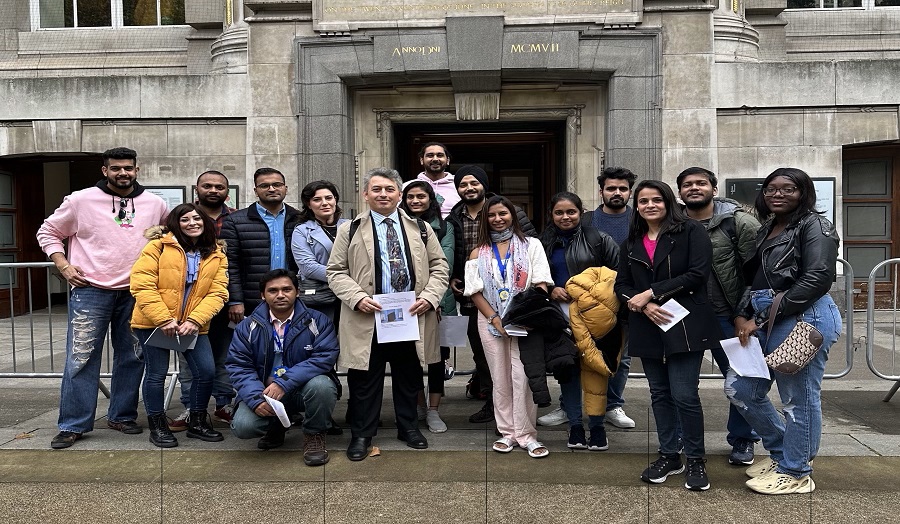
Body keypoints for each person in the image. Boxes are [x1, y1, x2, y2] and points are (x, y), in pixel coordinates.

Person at [36, 147, 169, 449]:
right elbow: (48, 232)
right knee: (80, 359)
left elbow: (166, 237)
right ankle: (73, 424)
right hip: (90, 290)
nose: (123, 173)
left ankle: (121, 415)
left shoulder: (155, 204)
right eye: (116, 168)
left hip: (137, 292)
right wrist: (63, 265)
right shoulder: (79, 200)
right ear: (105, 170)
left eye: (129, 168)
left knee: (133, 357)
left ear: (137, 169)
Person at [727, 168, 842, 495]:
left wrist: (759, 317)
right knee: (741, 389)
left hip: (805, 318)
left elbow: (817, 278)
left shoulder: (816, 226)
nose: (777, 194)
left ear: (803, 192)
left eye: (787, 189)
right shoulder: (769, 226)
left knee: (799, 400)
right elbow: (756, 278)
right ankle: (783, 452)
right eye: (770, 189)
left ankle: (796, 472)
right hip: (768, 315)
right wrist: (742, 313)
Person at [327, 167, 449, 461]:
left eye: (390, 189)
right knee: (365, 380)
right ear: (365, 194)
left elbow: (440, 266)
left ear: (399, 195)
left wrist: (430, 297)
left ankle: (408, 428)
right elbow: (335, 271)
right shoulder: (350, 229)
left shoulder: (421, 228)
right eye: (377, 189)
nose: (383, 194)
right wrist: (357, 298)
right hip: (368, 316)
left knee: (408, 376)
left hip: (409, 314)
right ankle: (362, 435)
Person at [614, 179, 719, 491]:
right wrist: (643, 306)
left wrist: (650, 293)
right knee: (659, 393)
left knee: (684, 394)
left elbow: (698, 275)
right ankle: (670, 455)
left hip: (685, 321)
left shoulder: (691, 231)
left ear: (668, 201)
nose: (650, 205)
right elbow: (621, 285)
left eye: (656, 200)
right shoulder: (631, 240)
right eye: (643, 201)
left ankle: (696, 459)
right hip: (647, 324)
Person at [677, 166, 763, 466]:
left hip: (729, 316)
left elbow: (756, 274)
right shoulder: (672, 224)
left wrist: (743, 313)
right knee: (681, 383)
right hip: (685, 317)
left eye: (701, 183)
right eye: (687, 184)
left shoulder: (739, 222)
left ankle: (742, 438)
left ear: (713, 189)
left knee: (741, 381)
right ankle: (679, 436)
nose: (694, 188)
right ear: (680, 192)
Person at [546, 167, 637, 430]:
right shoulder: (584, 222)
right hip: (570, 308)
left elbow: (618, 270)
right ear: (601, 192)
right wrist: (553, 288)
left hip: (612, 305)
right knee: (574, 355)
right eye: (611, 188)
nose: (616, 192)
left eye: (622, 188)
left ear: (629, 192)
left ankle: (612, 405)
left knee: (618, 356)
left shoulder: (638, 218)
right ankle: (568, 406)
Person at [130, 203, 228, 447]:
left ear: (205, 222)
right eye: (185, 219)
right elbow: (142, 284)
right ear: (175, 224)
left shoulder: (216, 253)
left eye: (197, 218)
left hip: (193, 325)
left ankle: (197, 421)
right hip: (153, 323)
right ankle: (158, 425)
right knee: (156, 374)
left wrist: (195, 320)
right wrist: (163, 318)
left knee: (205, 371)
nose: (192, 223)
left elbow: (218, 292)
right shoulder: (157, 247)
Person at [464, 195, 554, 459]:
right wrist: (494, 318)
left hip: (525, 319)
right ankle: (507, 433)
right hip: (490, 320)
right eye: (491, 215)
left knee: (522, 376)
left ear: (513, 216)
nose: (497, 219)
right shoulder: (477, 252)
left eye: (502, 213)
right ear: (485, 219)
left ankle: (527, 434)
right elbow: (474, 292)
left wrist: (520, 316)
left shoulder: (531, 245)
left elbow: (540, 284)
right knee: (500, 377)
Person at [446, 165, 537, 424]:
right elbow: (455, 251)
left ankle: (520, 411)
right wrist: (455, 275)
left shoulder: (506, 211)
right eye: (463, 185)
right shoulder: (454, 217)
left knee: (518, 358)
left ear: (484, 185)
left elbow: (529, 247)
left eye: (474, 183)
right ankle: (492, 402)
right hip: (474, 296)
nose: (469, 188)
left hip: (513, 299)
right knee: (483, 353)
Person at [226, 269, 339, 466]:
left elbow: (324, 358)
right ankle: (276, 425)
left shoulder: (318, 321)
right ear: (263, 295)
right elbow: (239, 366)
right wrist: (254, 399)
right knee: (243, 427)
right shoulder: (248, 326)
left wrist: (284, 383)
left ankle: (314, 435)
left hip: (303, 390)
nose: (280, 295)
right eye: (273, 290)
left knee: (322, 386)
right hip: (265, 393)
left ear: (297, 291)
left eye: (287, 289)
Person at [539, 191, 621, 451]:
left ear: (580, 212)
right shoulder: (543, 242)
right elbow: (536, 276)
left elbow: (616, 275)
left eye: (571, 212)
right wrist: (551, 289)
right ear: (551, 215)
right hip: (559, 316)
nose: (565, 217)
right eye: (559, 212)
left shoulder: (598, 238)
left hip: (595, 317)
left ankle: (597, 427)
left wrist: (587, 295)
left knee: (596, 369)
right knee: (569, 370)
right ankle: (575, 425)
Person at [170, 170, 238, 432]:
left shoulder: (236, 218)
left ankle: (224, 404)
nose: (213, 190)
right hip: (185, 306)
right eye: (207, 186)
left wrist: (235, 300)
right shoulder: (179, 218)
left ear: (226, 192)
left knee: (224, 355)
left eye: (219, 187)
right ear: (196, 188)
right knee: (189, 360)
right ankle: (191, 407)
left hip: (219, 301)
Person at [400, 180, 457, 433]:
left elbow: (445, 263)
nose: (415, 201)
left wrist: (431, 299)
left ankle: (434, 410)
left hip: (438, 302)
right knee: (410, 357)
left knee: (436, 358)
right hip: (404, 304)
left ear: (430, 199)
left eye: (421, 196)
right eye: (410, 197)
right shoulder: (395, 225)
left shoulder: (445, 227)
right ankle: (419, 405)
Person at [219, 167, 303, 325]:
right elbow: (230, 265)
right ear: (256, 191)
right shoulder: (234, 221)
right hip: (252, 301)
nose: (272, 189)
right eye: (264, 186)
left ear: (286, 188)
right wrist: (235, 300)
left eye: (277, 184)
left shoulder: (300, 219)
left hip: (292, 299)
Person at [290, 180, 349, 323]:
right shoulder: (301, 231)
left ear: (335, 200)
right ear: (309, 205)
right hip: (321, 296)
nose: (324, 203)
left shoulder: (351, 225)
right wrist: (344, 277)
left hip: (352, 294)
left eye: (329, 198)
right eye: (317, 199)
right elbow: (308, 267)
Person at [415, 142, 460, 218]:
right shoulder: (409, 186)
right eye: (430, 155)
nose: (435, 159)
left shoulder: (459, 184)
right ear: (422, 160)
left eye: (440, 155)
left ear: (447, 160)